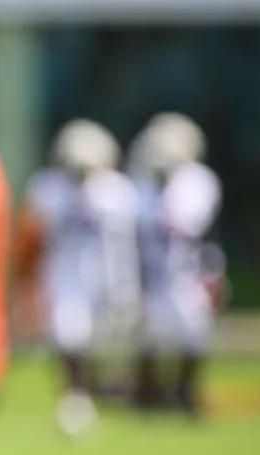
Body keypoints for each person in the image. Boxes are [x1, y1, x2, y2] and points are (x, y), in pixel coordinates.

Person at [17, 119, 139, 434]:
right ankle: (75, 395)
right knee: (68, 336)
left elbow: (126, 245)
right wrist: (28, 285)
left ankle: (98, 393)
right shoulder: (49, 187)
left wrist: (129, 284)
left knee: (103, 341)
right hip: (64, 273)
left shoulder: (117, 191)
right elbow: (33, 239)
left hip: (106, 276)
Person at [127, 113, 223, 414]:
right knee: (147, 336)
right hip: (152, 272)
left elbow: (205, 234)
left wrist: (212, 273)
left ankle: (185, 390)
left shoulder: (199, 183)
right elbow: (132, 237)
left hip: (187, 271)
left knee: (194, 332)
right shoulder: (139, 184)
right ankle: (149, 395)